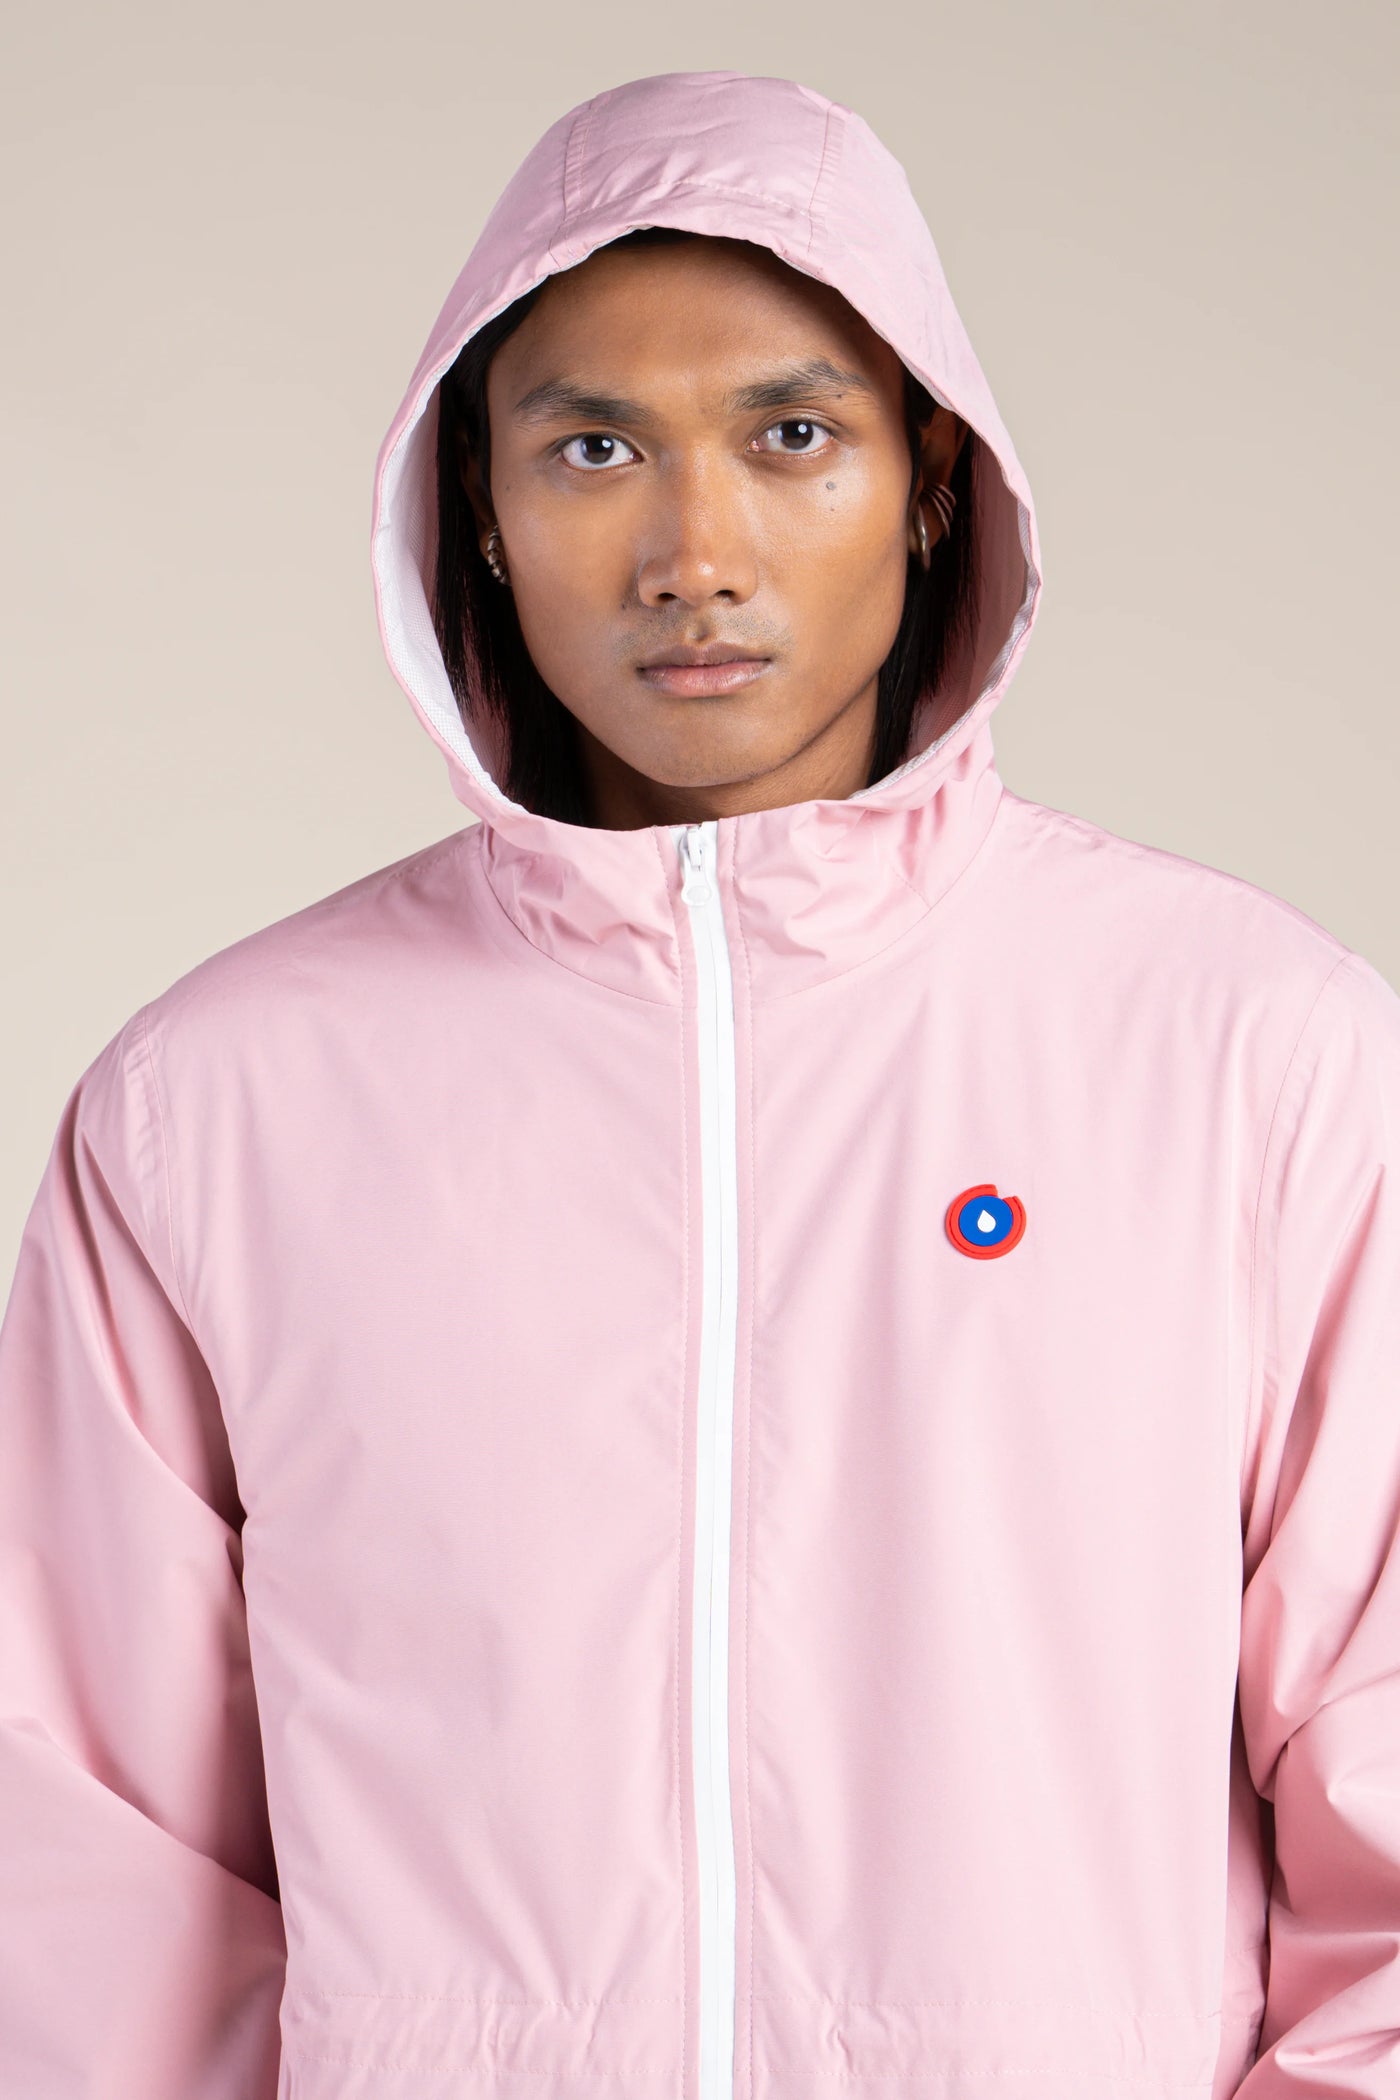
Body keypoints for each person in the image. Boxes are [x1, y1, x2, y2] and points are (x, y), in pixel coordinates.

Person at [1, 67, 1397, 2100]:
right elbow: (91, 1864)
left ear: (929, 478)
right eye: (592, 448)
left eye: (791, 436)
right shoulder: (214, 1111)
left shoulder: (1253, 1051)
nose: (693, 551)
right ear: (479, 506)